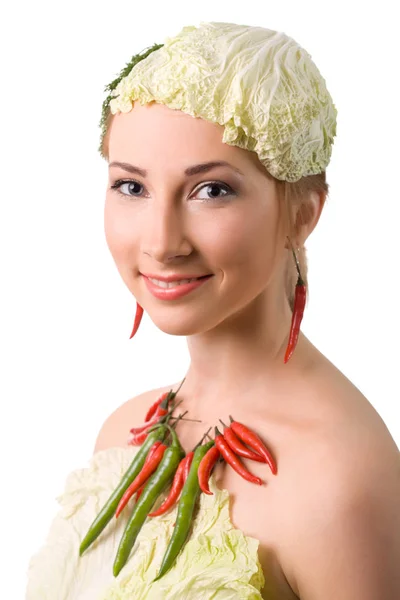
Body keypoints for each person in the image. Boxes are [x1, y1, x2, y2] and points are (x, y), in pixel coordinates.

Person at [26, 21, 400, 600]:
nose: (161, 242)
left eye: (212, 191)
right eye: (131, 186)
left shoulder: (337, 482)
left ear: (302, 213)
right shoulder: (121, 434)